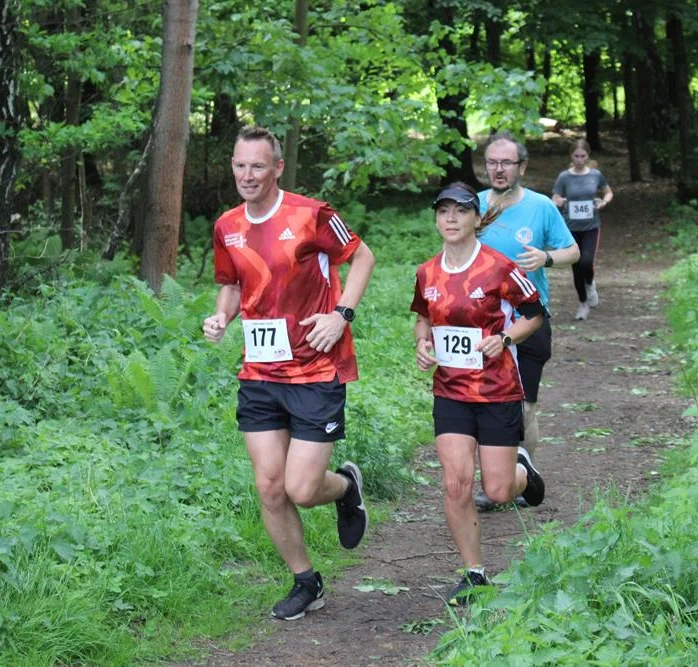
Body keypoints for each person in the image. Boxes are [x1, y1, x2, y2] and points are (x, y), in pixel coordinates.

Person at [203, 125, 375, 621]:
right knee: (270, 487)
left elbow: (363, 257)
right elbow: (231, 284)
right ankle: (306, 581)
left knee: (302, 488)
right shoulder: (227, 225)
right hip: (260, 371)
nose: (247, 175)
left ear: (277, 168)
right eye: (240, 165)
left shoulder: (311, 214)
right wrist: (221, 316)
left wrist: (341, 314)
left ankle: (345, 487)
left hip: (316, 366)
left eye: (257, 166)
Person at [412, 182, 547, 605]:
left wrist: (505, 338)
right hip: (450, 390)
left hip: (497, 390)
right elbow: (423, 317)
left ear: (476, 218)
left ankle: (523, 472)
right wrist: (423, 343)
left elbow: (534, 315)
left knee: (499, 491)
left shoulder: (498, 267)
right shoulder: (427, 272)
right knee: (456, 483)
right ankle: (475, 573)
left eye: (460, 211)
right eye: (443, 211)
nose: (451, 218)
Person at [473, 131, 580, 510]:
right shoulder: (473, 205)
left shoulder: (541, 207)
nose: (498, 169)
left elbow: (573, 251)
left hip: (529, 319)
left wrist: (546, 258)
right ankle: (495, 480)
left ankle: (522, 475)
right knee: (482, 405)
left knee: (524, 405)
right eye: (492, 162)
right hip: (480, 322)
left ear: (522, 166)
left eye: (506, 162)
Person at [552, 139, 614, 320]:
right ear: (571, 156)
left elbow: (608, 192)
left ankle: (590, 283)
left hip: (591, 226)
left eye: (583, 156)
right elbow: (555, 196)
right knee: (576, 265)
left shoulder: (595, 175)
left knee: (586, 262)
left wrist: (604, 202)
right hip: (570, 227)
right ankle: (583, 304)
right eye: (576, 156)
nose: (579, 160)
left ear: (588, 156)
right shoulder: (564, 177)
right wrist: (559, 201)